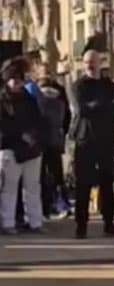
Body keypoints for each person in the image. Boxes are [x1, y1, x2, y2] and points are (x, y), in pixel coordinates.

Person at [71, 50, 114, 239]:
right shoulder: (79, 85)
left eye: (93, 61)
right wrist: (104, 105)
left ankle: (109, 223)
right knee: (83, 183)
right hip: (85, 139)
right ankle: (81, 225)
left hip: (106, 138)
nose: (90, 65)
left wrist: (99, 105)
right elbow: (82, 109)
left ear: (100, 62)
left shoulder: (109, 85)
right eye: (86, 62)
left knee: (107, 181)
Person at [0, 57, 45, 234]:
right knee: (9, 188)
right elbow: (4, 124)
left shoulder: (29, 99)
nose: (17, 84)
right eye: (14, 80)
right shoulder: (2, 101)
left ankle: (35, 222)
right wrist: (21, 134)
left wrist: (35, 136)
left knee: (33, 187)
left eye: (20, 80)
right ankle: (8, 223)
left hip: (31, 149)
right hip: (10, 148)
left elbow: (39, 120)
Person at [36, 77, 70, 220]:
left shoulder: (38, 101)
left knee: (41, 177)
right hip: (56, 142)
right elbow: (67, 121)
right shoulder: (61, 103)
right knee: (58, 176)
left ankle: (44, 208)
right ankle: (62, 204)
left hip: (40, 142)